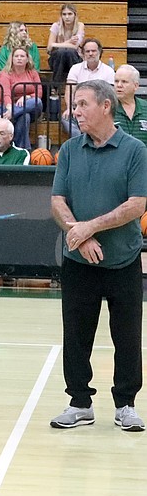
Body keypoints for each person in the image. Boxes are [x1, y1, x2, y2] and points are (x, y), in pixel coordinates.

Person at [50, 79, 147, 432]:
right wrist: (78, 234)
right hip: (79, 261)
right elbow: (58, 201)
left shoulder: (135, 150)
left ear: (106, 106)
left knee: (127, 334)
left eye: (82, 104)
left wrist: (89, 228)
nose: (75, 112)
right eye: (75, 105)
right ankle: (79, 403)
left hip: (123, 259)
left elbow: (137, 205)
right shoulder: (71, 150)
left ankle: (126, 404)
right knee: (76, 334)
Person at [0, 46, 43, 150]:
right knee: (25, 116)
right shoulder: (5, 74)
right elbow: (5, 93)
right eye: (16, 56)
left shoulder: (32, 73)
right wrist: (10, 108)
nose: (19, 58)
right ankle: (24, 150)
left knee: (37, 102)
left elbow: (39, 92)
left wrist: (27, 97)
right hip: (2, 108)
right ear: (12, 59)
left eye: (22, 56)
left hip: (23, 107)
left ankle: (13, 114)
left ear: (27, 59)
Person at [62, 39, 114, 137]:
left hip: (98, 110)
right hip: (78, 108)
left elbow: (111, 96)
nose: (90, 54)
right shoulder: (75, 68)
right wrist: (69, 108)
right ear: (83, 53)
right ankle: (81, 141)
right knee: (66, 119)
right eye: (87, 51)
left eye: (93, 51)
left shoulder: (109, 71)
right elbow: (70, 89)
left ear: (99, 52)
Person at [47, 3, 86, 86]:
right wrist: (69, 41)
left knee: (69, 52)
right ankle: (56, 87)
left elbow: (75, 46)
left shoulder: (80, 25)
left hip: (74, 58)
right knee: (61, 52)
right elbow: (49, 47)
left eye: (70, 14)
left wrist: (56, 44)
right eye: (64, 14)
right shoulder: (56, 26)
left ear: (75, 15)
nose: (67, 17)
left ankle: (74, 85)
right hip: (57, 59)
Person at [113, 64, 147, 149]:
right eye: (116, 81)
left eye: (124, 82)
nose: (119, 85)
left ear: (136, 86)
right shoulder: (107, 108)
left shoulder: (145, 107)